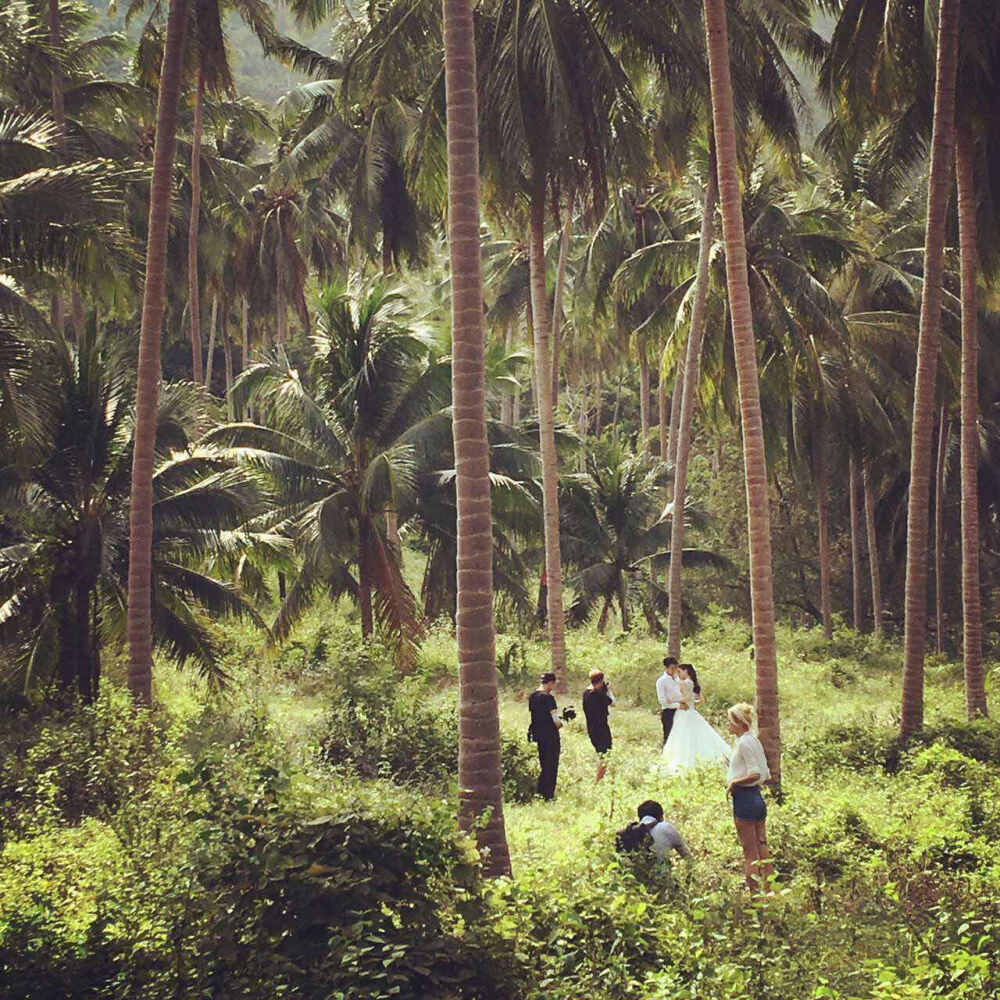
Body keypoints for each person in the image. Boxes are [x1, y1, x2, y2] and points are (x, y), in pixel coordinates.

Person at [726, 702, 774, 892]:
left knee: (749, 853)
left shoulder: (744, 743)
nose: (728, 725)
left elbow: (755, 773)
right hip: (757, 798)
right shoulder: (752, 740)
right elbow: (764, 772)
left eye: (730, 721)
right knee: (762, 845)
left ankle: (755, 894)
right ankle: (770, 889)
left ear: (738, 723)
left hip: (745, 799)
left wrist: (734, 783)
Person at [660, 664, 731, 774]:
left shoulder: (685, 683)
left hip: (685, 713)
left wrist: (674, 701)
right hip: (691, 711)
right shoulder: (692, 682)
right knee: (694, 735)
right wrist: (691, 703)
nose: (678, 674)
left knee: (683, 736)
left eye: (680, 672)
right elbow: (700, 700)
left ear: (686, 671)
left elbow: (686, 697)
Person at [528, 672, 562, 800]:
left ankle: (540, 792)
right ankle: (548, 794)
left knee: (544, 764)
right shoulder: (548, 698)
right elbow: (555, 720)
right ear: (550, 682)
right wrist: (561, 724)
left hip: (539, 735)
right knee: (551, 765)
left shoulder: (533, 696)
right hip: (551, 735)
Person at [582, 669, 614, 782]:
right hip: (601, 728)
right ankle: (598, 781)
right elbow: (613, 702)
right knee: (605, 754)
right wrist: (608, 691)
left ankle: (599, 779)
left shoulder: (586, 693)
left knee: (601, 754)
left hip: (591, 728)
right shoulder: (598, 695)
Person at [655, 657, 682, 747]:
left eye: (675, 668)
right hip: (668, 712)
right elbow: (663, 701)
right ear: (666, 668)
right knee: (669, 736)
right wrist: (677, 705)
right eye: (672, 668)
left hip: (680, 711)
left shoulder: (678, 679)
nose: (674, 670)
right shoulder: (661, 681)